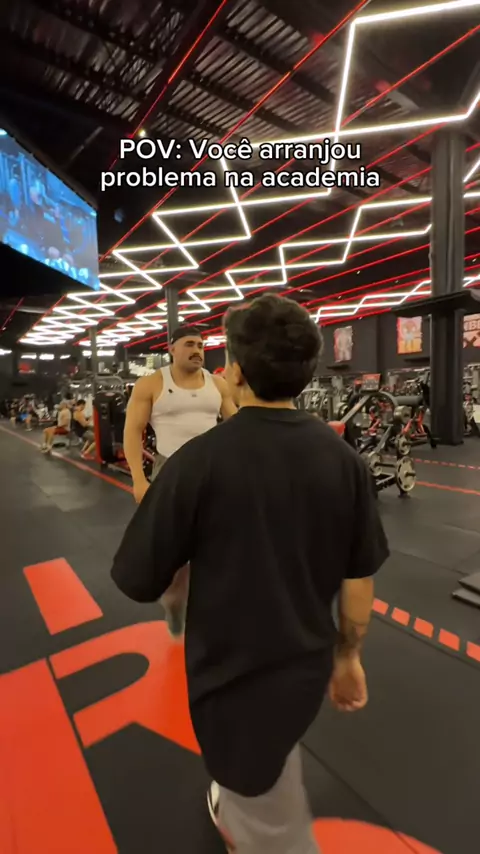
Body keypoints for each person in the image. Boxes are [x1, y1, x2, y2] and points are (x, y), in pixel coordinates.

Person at [111, 295, 389, 854]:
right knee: (270, 755)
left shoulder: (196, 464)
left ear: (234, 373)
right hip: (305, 667)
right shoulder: (345, 461)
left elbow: (136, 578)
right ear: (308, 371)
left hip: (228, 677)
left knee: (257, 803)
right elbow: (359, 576)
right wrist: (349, 657)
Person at [123, 324, 237, 636]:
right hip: (170, 471)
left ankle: (217, 607)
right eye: (189, 344)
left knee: (221, 543)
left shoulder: (217, 384)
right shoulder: (151, 384)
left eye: (200, 345)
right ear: (172, 349)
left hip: (215, 471)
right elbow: (133, 431)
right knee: (175, 553)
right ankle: (175, 603)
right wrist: (138, 480)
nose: (197, 350)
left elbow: (237, 424)